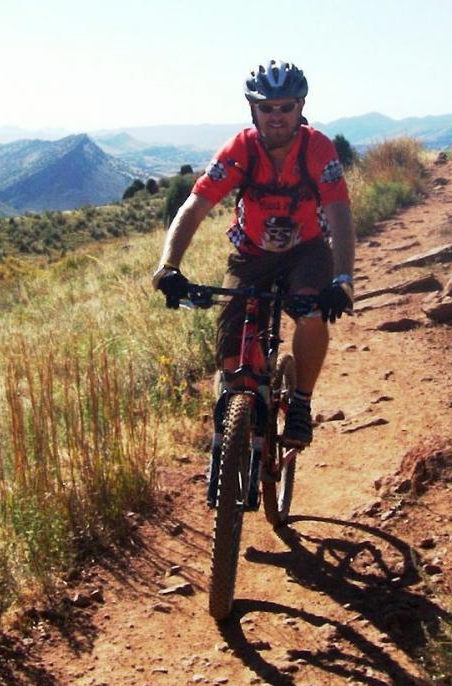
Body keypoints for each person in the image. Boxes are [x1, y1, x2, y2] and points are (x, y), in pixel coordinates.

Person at [152, 60, 356, 448]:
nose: (276, 116)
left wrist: (342, 279)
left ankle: (300, 402)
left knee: (312, 312)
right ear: (253, 109)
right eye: (267, 108)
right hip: (252, 252)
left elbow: (339, 214)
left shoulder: (317, 148)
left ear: (300, 107)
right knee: (231, 343)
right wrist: (169, 267)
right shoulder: (240, 149)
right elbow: (194, 207)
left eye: (286, 107)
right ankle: (235, 418)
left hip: (307, 251)